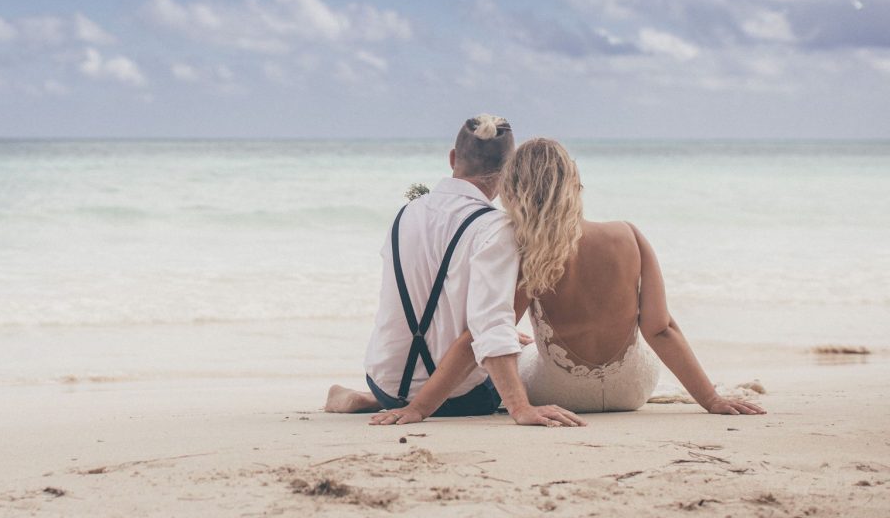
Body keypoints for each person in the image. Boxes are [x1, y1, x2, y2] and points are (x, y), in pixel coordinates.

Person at [370, 137, 765, 425]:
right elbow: (661, 329)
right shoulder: (628, 235)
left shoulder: (530, 253)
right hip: (633, 390)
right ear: (576, 183)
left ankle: (373, 395)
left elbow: (479, 335)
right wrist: (710, 399)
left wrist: (420, 407)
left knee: (507, 347)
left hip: (560, 394)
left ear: (515, 193)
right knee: (514, 342)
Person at [326, 116, 587, 427]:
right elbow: (487, 325)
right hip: (456, 400)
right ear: (509, 173)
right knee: (530, 360)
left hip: (384, 383)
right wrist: (520, 408)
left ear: (452, 158)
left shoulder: (406, 213)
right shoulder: (496, 229)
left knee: (503, 340)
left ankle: (368, 398)